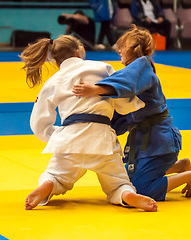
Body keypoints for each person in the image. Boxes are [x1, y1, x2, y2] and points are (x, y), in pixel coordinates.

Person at [20, 34, 158, 212]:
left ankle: (48, 184)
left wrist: (58, 135)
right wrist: (134, 105)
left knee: (56, 175)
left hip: (69, 141)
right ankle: (126, 194)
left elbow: (39, 124)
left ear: (55, 62)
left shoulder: (53, 81)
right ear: (78, 53)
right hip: (102, 140)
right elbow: (121, 95)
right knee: (118, 182)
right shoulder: (102, 67)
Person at [72, 26, 191, 201]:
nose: (119, 51)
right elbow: (117, 101)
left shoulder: (142, 66)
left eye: (123, 46)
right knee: (125, 180)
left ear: (135, 48)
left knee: (142, 190)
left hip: (158, 143)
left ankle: (190, 175)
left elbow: (123, 84)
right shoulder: (136, 71)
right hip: (146, 141)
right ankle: (180, 166)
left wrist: (94, 89)